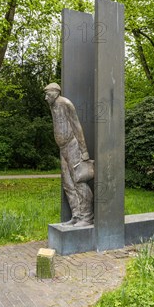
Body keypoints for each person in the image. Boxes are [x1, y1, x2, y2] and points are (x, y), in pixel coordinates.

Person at [44, 83, 94, 227]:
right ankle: (76, 215)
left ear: (56, 93)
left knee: (78, 181)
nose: (46, 97)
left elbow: (76, 126)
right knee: (67, 183)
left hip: (73, 145)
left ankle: (87, 216)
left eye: (48, 94)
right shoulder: (52, 106)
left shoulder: (66, 104)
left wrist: (84, 150)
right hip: (63, 148)